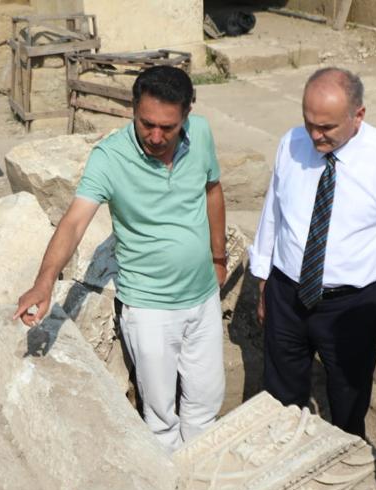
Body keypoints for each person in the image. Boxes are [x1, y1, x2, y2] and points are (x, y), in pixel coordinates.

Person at [13, 65, 227, 452]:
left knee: (204, 409)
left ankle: (203, 488)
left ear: (186, 115)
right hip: (149, 309)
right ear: (132, 108)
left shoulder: (204, 134)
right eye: (147, 124)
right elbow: (74, 223)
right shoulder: (109, 158)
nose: (156, 136)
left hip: (203, 299)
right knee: (161, 419)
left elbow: (213, 190)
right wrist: (44, 282)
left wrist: (218, 257)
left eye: (168, 127)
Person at [248, 67, 376, 438]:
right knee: (281, 395)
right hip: (288, 293)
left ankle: (344, 466)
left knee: (348, 400)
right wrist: (264, 283)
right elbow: (274, 215)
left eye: (327, 128)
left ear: (358, 115)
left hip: (351, 306)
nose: (315, 135)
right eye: (309, 122)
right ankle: (285, 464)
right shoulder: (292, 143)